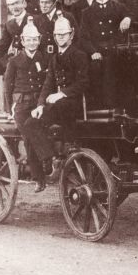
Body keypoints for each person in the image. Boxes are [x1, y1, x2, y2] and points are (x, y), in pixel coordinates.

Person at [23, 13, 89, 180]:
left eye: (64, 34)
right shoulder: (54, 59)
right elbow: (47, 84)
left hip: (73, 104)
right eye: (57, 35)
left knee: (60, 106)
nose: (60, 38)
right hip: (58, 105)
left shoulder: (79, 55)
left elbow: (83, 83)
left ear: (71, 34)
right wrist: (39, 106)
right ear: (54, 36)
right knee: (30, 123)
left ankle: (66, 147)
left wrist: (61, 94)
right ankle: (50, 158)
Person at [4, 17, 47, 192]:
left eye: (35, 39)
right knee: (28, 137)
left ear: (39, 40)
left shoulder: (43, 57)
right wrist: (10, 108)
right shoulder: (14, 61)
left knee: (41, 130)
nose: (31, 43)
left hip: (38, 103)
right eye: (28, 40)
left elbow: (47, 81)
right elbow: (8, 86)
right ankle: (39, 178)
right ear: (22, 41)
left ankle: (47, 160)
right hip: (21, 106)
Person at [80, 0, 132, 109]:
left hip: (116, 50)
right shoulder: (87, 13)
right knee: (97, 67)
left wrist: (128, 18)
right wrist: (93, 52)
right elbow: (83, 37)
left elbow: (132, 14)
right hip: (97, 52)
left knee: (117, 66)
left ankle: (117, 108)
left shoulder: (118, 7)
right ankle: (101, 107)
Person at [34, 0, 79, 64]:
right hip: (44, 62)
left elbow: (76, 39)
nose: (43, 6)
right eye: (41, 2)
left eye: (47, 2)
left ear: (55, 2)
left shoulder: (67, 16)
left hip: (63, 60)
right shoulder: (37, 20)